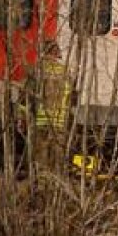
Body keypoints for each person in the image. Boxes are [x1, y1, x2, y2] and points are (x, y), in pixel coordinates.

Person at [22, 39, 74, 169]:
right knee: (57, 162)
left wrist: (22, 118)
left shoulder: (37, 71)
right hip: (60, 125)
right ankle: (55, 187)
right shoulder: (66, 72)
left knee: (41, 162)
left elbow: (26, 99)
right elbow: (72, 100)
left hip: (41, 123)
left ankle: (41, 185)